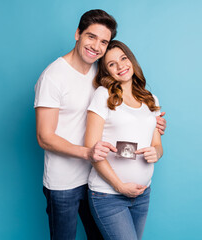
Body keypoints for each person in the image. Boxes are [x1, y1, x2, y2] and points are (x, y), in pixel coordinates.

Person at [34, 10, 166, 240]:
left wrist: (152, 124)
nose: (96, 46)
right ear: (77, 34)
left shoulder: (101, 69)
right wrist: (89, 153)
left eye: (103, 41)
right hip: (64, 182)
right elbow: (44, 137)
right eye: (91, 37)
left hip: (97, 179)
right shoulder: (53, 76)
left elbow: (124, 110)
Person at [85, 40, 164, 240]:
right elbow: (91, 149)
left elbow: (157, 146)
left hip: (143, 194)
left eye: (123, 58)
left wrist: (156, 153)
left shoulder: (150, 99)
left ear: (131, 60)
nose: (120, 66)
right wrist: (120, 186)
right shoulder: (103, 95)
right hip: (108, 195)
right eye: (112, 64)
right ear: (106, 71)